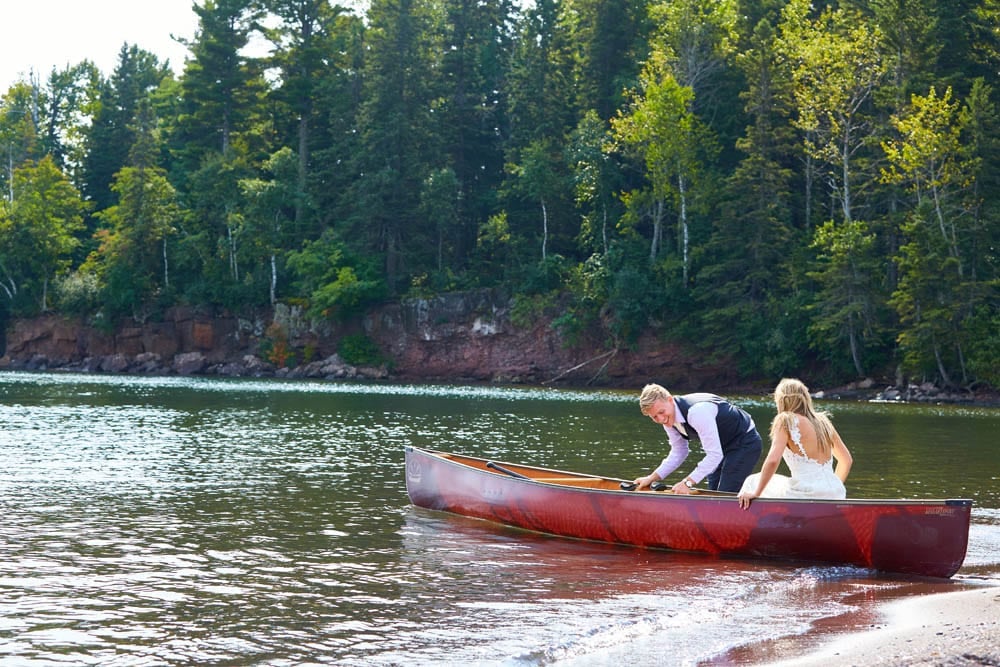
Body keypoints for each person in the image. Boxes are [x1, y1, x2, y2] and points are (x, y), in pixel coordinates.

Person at [737, 378, 853, 509]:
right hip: (836, 492)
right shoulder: (824, 422)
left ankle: (748, 523)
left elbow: (773, 461)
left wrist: (756, 493)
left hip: (807, 493)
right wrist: (831, 489)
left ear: (782, 400)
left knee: (752, 481)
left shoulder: (785, 420)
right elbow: (846, 460)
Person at [634, 384, 763, 494]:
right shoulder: (668, 420)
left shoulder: (697, 412)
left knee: (724, 494)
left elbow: (714, 455)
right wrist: (652, 478)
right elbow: (679, 452)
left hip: (745, 442)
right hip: (720, 447)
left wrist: (687, 483)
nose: (660, 419)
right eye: (654, 417)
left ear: (670, 400)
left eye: (661, 412)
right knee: (713, 492)